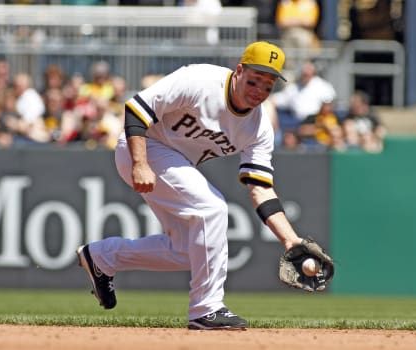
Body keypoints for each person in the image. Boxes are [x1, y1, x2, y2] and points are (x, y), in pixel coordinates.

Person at [76, 41, 326, 330]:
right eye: (255, 80)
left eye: (268, 86)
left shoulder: (259, 127)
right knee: (212, 208)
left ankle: (102, 257)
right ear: (239, 71)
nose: (259, 90)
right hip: (145, 146)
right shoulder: (200, 80)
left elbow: (261, 189)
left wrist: (291, 241)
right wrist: (140, 163)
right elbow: (136, 108)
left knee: (188, 249)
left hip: (176, 162)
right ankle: (206, 309)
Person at [270, 60, 336, 128]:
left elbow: (329, 106)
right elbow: (275, 100)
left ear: (314, 73)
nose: (306, 73)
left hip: (317, 123)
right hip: (296, 124)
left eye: (308, 71)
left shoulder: (324, 86)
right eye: (304, 72)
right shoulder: (293, 88)